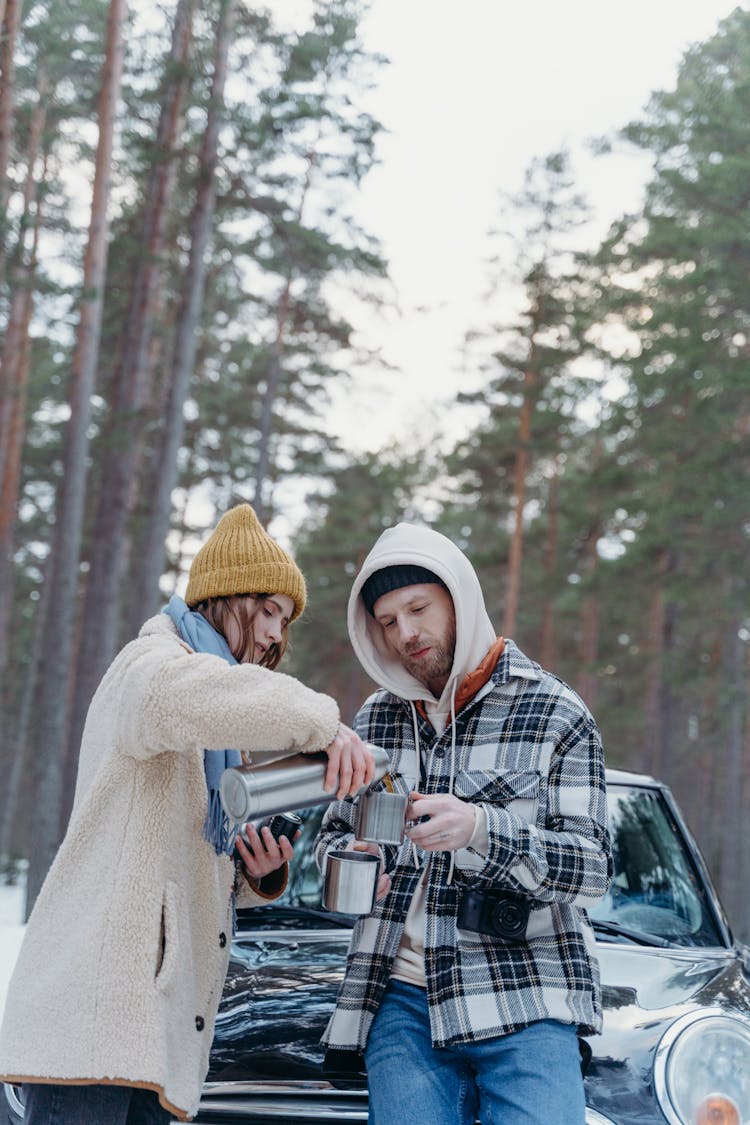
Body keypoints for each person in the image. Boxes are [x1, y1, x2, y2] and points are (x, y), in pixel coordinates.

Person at [0, 502, 375, 1124]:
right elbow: (192, 693)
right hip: (95, 1023)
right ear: (229, 597)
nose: (277, 635)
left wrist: (254, 876)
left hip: (150, 1039)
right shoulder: (149, 670)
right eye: (272, 612)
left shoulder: (209, 728)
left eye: (285, 621)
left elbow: (181, 880)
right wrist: (323, 724)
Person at [316, 521, 612, 1125]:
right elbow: (332, 837)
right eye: (388, 621)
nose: (406, 633)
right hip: (401, 1000)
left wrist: (481, 829)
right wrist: (351, 862)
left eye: (419, 608)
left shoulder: (555, 711)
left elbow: (591, 870)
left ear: (461, 599)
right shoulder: (376, 720)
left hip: (527, 995)